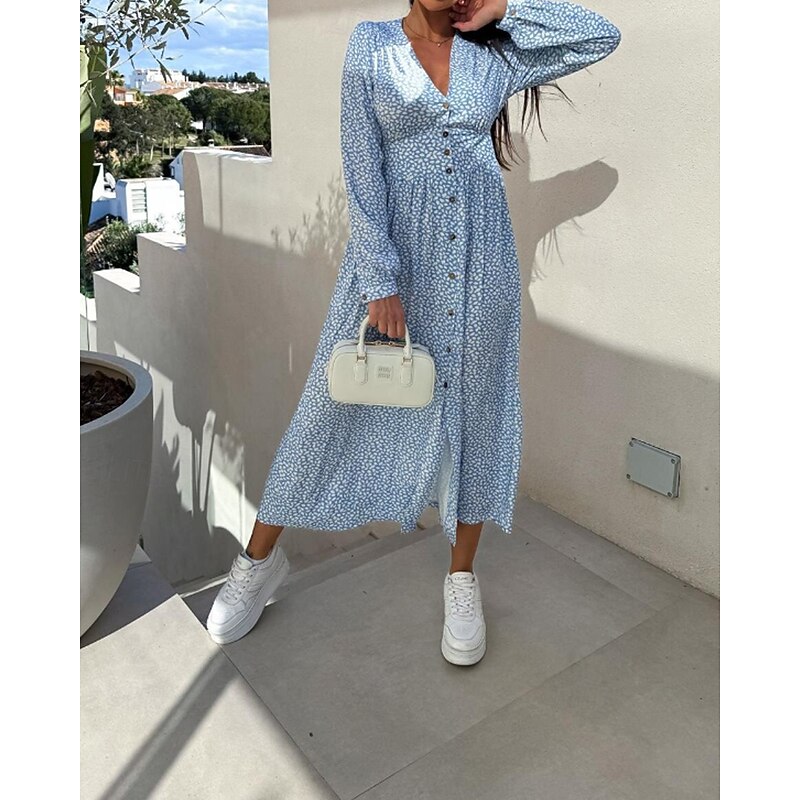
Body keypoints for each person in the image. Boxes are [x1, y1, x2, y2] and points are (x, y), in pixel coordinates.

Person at [206, 0, 621, 664]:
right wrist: (379, 280)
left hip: (482, 268)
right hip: (397, 264)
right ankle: (258, 562)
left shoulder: (493, 53)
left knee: (477, 415)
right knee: (327, 411)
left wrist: (504, 7)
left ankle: (462, 577)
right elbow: (361, 163)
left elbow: (600, 36)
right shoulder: (371, 46)